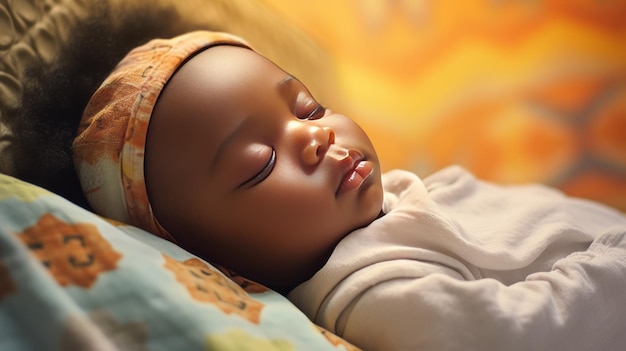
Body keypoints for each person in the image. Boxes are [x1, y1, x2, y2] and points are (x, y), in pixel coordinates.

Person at [72, 31, 626, 350]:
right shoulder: (371, 289)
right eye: (261, 163)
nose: (315, 136)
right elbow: (519, 337)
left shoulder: (400, 201)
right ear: (214, 261)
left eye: (308, 108)